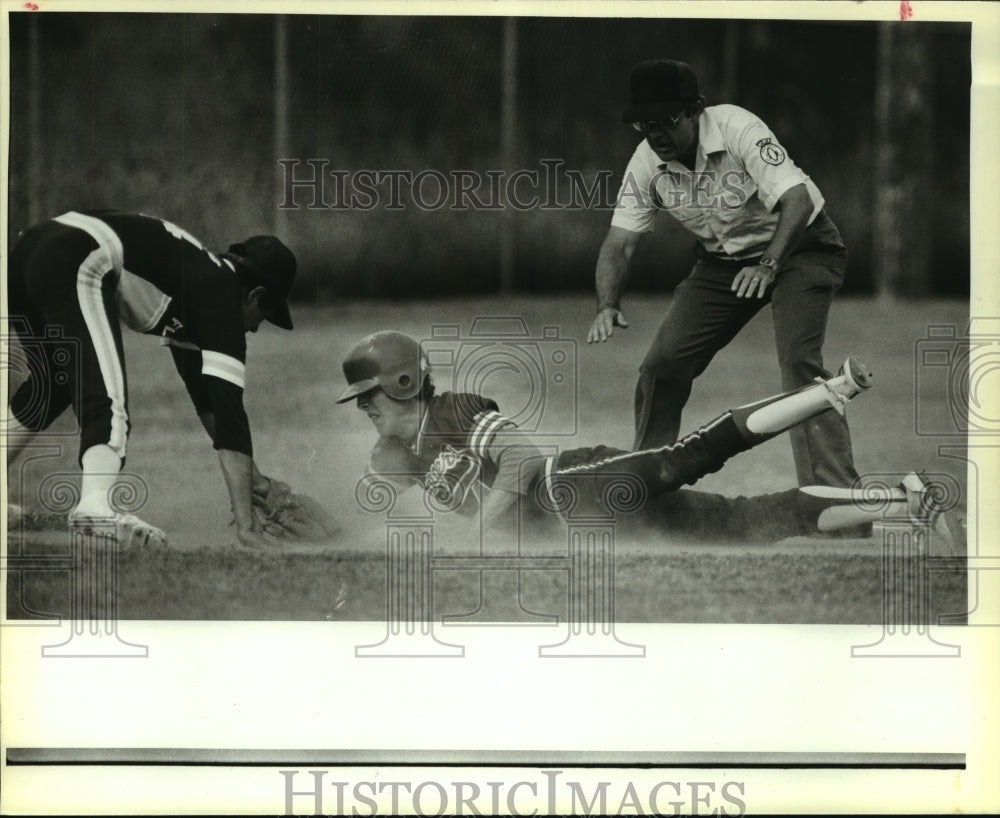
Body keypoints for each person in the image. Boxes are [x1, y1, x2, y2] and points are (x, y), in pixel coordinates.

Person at [336, 332, 961, 551]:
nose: (362, 406)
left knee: (683, 458)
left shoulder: (453, 409)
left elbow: (523, 462)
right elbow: (399, 524)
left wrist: (474, 536)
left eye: (368, 393)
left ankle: (830, 391)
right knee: (749, 525)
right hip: (589, 537)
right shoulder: (392, 456)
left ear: (404, 381)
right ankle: (904, 503)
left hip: (574, 487)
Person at [587, 59, 859, 504]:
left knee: (798, 363)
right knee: (663, 364)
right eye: (643, 123)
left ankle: (834, 502)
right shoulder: (645, 163)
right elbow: (619, 244)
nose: (654, 133)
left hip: (801, 248)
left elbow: (796, 198)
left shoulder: (738, 129)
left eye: (664, 120)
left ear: (695, 108)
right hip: (724, 264)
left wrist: (769, 264)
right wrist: (606, 303)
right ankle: (650, 495)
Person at [5, 209, 297, 549]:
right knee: (106, 400)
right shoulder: (221, 298)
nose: (257, 327)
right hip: (76, 254)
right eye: (265, 314)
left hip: (30, 252)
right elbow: (231, 418)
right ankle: (95, 507)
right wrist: (247, 527)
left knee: (52, 385)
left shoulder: (200, 283)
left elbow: (210, 404)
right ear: (255, 294)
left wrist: (255, 482)